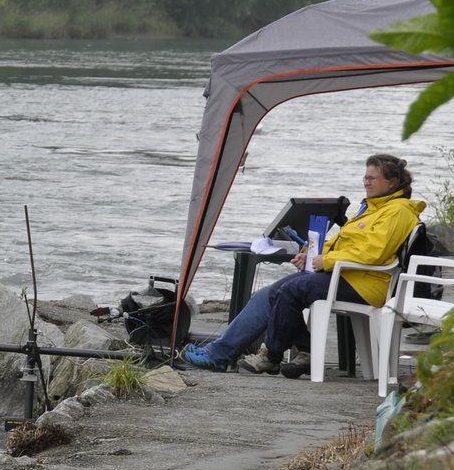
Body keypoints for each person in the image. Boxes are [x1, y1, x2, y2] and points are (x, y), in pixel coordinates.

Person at [182, 153, 425, 377]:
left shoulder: (397, 211)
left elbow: (374, 253)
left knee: (288, 291)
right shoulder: (372, 208)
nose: (366, 182)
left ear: (392, 183)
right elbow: (347, 244)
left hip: (365, 283)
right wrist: (311, 255)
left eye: (372, 178)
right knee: (268, 294)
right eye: (365, 177)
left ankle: (270, 357)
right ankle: (226, 353)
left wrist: (326, 261)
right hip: (348, 274)